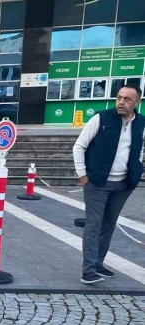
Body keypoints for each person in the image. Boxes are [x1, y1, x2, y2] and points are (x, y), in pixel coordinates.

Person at [73, 84, 144, 285]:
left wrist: (136, 172)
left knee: (109, 225)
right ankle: (87, 271)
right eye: (119, 97)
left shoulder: (141, 123)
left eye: (127, 99)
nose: (121, 102)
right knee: (93, 225)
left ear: (137, 102)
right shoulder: (101, 118)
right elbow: (79, 146)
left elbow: (139, 149)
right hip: (97, 182)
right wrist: (83, 176)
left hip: (123, 184)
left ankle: (98, 263)